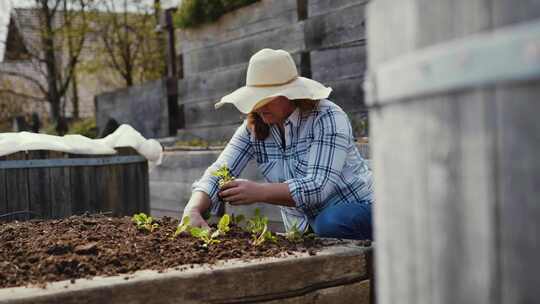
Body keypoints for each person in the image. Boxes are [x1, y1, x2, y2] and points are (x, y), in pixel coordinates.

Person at [181, 48, 374, 240]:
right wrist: (194, 208)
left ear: (291, 95)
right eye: (256, 99)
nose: (260, 106)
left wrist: (259, 192)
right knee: (319, 228)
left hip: (361, 209)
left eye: (268, 98)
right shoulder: (255, 126)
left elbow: (318, 187)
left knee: (330, 222)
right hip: (305, 228)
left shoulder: (327, 117)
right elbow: (220, 169)